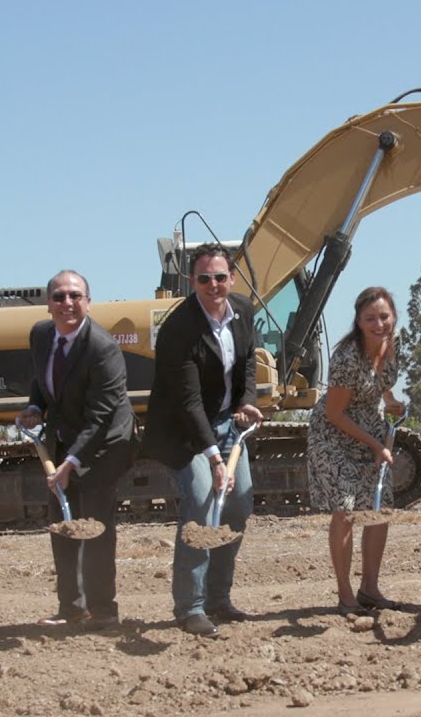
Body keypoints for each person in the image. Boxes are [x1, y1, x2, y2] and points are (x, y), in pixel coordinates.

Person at [142, 243, 264, 637]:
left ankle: (217, 599)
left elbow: (248, 361)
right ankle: (190, 607)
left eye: (220, 277)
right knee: (202, 501)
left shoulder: (242, 310)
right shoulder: (178, 328)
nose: (213, 285)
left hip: (228, 422)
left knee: (239, 502)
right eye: (204, 278)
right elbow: (188, 401)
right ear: (192, 282)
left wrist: (246, 401)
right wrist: (213, 458)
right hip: (184, 431)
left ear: (232, 278)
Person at [19, 270, 135, 631]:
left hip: (104, 445)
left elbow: (101, 416)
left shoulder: (102, 347)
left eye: (75, 296)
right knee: (62, 526)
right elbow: (41, 378)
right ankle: (71, 608)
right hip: (64, 436)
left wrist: (70, 463)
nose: (66, 303)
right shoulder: (41, 335)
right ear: (48, 303)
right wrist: (35, 407)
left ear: (88, 302)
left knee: (95, 529)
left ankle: (103, 611)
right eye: (59, 296)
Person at [307, 287, 406, 615]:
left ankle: (370, 589)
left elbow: (381, 381)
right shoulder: (347, 357)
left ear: (393, 316)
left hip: (370, 427)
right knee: (346, 509)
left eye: (384, 316)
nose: (379, 324)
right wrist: (377, 445)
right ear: (359, 322)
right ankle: (346, 595)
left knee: (380, 507)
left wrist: (390, 400)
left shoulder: (393, 343)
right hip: (334, 435)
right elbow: (335, 413)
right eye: (370, 319)